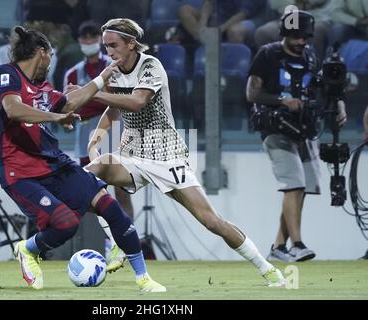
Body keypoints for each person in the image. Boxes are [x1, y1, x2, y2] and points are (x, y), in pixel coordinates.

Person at [85, 18, 285, 287]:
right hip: (131, 151)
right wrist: (95, 141)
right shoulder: (114, 72)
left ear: (131, 43)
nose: (108, 51)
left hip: (165, 154)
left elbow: (136, 101)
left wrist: (93, 92)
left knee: (211, 222)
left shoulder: (150, 66)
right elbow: (114, 110)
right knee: (87, 177)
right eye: (105, 46)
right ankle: (119, 241)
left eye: (113, 45)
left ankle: (267, 268)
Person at [0, 25, 165, 292]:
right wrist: (56, 118)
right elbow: (13, 109)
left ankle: (143, 278)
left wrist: (102, 78)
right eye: (51, 55)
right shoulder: (6, 75)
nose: (52, 62)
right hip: (18, 170)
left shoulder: (42, 87)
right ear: (41, 52)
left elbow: (68, 103)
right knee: (66, 224)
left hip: (54, 163)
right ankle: (27, 249)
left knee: (109, 205)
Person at [246, 10, 347, 262]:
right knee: (294, 184)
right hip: (276, 128)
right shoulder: (268, 54)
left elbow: (322, 87)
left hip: (304, 129)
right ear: (284, 34)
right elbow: (252, 93)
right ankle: (297, 244)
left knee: (300, 188)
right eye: (295, 36)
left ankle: (279, 246)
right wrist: (281, 100)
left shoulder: (311, 56)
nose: (301, 41)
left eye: (304, 36)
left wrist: (339, 103)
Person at [63, 20, 134, 270]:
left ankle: (126, 241)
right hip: (85, 136)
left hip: (114, 130)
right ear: (79, 40)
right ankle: (110, 244)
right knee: (91, 193)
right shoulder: (72, 72)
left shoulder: (112, 65)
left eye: (94, 37)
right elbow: (68, 105)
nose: (89, 42)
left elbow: (115, 101)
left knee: (121, 192)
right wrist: (89, 99)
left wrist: (85, 95)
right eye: (85, 37)